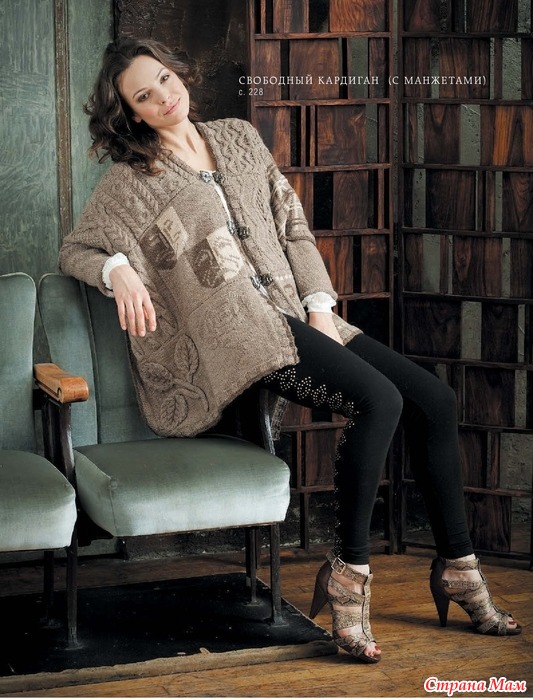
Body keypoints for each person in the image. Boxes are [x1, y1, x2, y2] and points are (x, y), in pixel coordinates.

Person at [59, 37, 521, 663]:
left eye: (165, 78)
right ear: (130, 114)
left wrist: (320, 304)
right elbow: (77, 248)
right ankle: (349, 573)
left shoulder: (239, 138)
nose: (165, 97)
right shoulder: (131, 181)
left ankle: (459, 569)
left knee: (434, 400)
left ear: (178, 71)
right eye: (145, 95)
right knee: (378, 401)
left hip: (296, 311)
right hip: (238, 334)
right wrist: (118, 269)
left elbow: (292, 225)